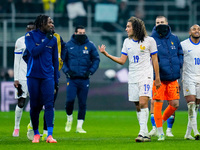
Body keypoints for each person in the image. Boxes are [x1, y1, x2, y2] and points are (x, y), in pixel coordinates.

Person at [98, 16, 161, 142]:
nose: (126, 29)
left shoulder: (150, 41)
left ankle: (143, 133)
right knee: (137, 105)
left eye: (128, 26)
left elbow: (155, 60)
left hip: (146, 76)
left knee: (143, 102)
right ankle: (144, 132)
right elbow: (122, 61)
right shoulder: (127, 42)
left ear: (135, 27)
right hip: (132, 76)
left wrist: (157, 77)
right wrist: (107, 54)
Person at [26, 23, 65, 141]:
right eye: (49, 22)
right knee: (35, 106)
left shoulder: (55, 38)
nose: (52, 24)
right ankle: (35, 132)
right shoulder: (30, 36)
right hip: (34, 76)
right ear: (42, 24)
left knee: (49, 105)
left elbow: (56, 58)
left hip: (48, 76)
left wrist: (56, 75)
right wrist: (35, 66)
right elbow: (31, 53)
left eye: (53, 23)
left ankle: (49, 135)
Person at [150, 16, 183, 141]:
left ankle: (160, 123)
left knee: (174, 104)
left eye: (162, 22)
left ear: (167, 23)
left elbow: (180, 52)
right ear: (155, 24)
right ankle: (160, 132)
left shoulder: (174, 38)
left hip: (173, 77)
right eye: (157, 22)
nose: (160, 24)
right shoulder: (151, 39)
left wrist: (179, 64)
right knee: (158, 104)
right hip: (159, 78)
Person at [62, 25, 100, 133]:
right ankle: (69, 118)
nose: (82, 35)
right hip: (72, 79)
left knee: (82, 103)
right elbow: (62, 61)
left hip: (84, 79)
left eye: (83, 33)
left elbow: (96, 59)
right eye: (80, 33)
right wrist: (67, 71)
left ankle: (79, 126)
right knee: (70, 101)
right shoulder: (68, 45)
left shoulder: (90, 45)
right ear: (75, 33)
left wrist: (90, 71)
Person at [12, 22, 35, 137]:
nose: (30, 31)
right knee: (21, 102)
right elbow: (17, 61)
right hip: (22, 76)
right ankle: (16, 127)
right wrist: (16, 78)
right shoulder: (20, 41)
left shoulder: (39, 40)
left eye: (33, 29)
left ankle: (31, 126)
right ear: (26, 29)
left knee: (36, 103)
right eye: (28, 29)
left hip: (35, 75)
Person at [181, 24, 200, 140]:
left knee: (196, 106)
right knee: (191, 104)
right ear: (190, 32)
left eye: (198, 29)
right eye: (194, 29)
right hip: (188, 77)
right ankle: (196, 131)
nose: (197, 31)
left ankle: (188, 134)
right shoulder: (183, 45)